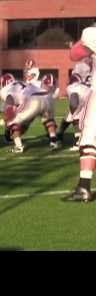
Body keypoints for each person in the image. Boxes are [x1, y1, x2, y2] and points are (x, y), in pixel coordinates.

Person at [64, 26, 96, 202]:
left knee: (88, 140)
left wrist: (79, 44)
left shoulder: (92, 33)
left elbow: (74, 54)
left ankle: (84, 187)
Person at [0, 72, 58, 153]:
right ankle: (53, 141)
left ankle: (18, 146)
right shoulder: (21, 83)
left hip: (33, 99)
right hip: (47, 96)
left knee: (12, 121)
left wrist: (5, 119)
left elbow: (10, 105)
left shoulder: (7, 89)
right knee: (48, 120)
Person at [57, 74, 91, 151]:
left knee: (75, 118)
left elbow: (74, 101)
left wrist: (74, 112)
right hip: (89, 103)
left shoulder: (71, 87)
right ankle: (59, 135)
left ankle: (79, 142)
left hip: (82, 103)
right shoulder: (84, 87)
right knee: (68, 117)